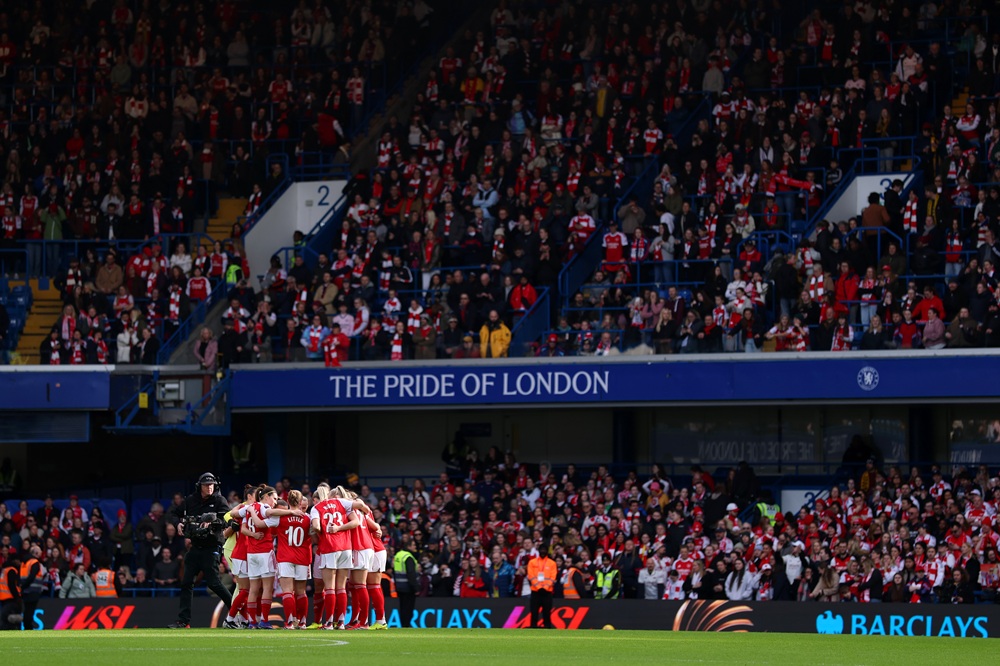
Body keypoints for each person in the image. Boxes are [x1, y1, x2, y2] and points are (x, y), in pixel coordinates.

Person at [167, 472, 233, 629]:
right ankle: (184, 621)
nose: (209, 488)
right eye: (206, 485)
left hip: (211, 548)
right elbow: (172, 514)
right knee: (186, 583)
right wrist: (178, 524)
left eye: (211, 485)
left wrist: (212, 522)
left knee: (214, 583)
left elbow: (227, 518)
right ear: (200, 487)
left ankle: (236, 613)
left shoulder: (219, 500)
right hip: (195, 547)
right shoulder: (191, 500)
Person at [310, 484, 372, 630]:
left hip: (329, 547)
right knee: (341, 588)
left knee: (330, 588)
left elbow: (316, 526)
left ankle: (330, 622)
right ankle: (342, 622)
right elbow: (356, 519)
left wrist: (325, 531)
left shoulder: (316, 508)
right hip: (345, 548)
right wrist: (365, 509)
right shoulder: (342, 503)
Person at [276, 490, 312, 629]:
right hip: (302, 558)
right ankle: (302, 622)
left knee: (287, 591)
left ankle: (290, 622)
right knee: (301, 592)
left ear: (288, 501)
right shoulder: (308, 518)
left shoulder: (280, 517)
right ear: (300, 501)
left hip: (285, 557)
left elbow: (266, 517)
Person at [526, 549, 556, 628]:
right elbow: (531, 576)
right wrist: (539, 587)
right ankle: (533, 628)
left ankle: (547, 629)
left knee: (547, 613)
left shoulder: (552, 563)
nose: (543, 552)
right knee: (534, 613)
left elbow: (553, 577)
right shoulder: (532, 562)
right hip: (536, 592)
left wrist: (545, 587)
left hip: (547, 592)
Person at [393, 536, 419, 628]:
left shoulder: (398, 555)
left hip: (399, 586)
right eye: (414, 545)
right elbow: (411, 574)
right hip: (408, 587)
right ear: (409, 546)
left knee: (402, 607)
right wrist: (416, 588)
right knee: (408, 608)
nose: (415, 547)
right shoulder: (408, 557)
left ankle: (403, 624)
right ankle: (406, 625)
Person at [18, 545, 44, 629]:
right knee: (30, 610)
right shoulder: (34, 562)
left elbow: (21, 576)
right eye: (40, 551)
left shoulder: (23, 563)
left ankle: (26, 626)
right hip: (33, 590)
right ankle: (28, 628)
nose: (41, 553)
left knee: (27, 610)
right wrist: (25, 585)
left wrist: (22, 587)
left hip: (25, 591)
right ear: (36, 553)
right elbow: (32, 576)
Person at [0, 553, 22, 630]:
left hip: (3, 597)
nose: (20, 563)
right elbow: (12, 585)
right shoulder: (12, 570)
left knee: (5, 618)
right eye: (19, 560)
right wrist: (17, 598)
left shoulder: (4, 570)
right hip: (11, 598)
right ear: (15, 561)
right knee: (10, 619)